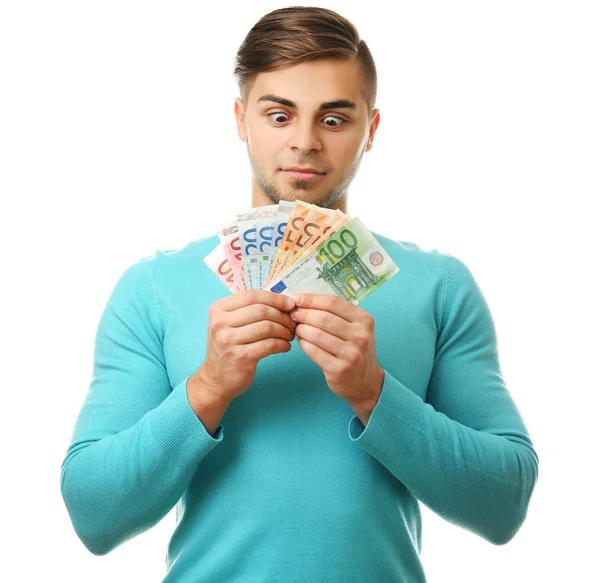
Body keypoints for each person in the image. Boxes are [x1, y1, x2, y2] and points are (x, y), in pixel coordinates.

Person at [59, 6, 539, 582]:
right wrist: (208, 388)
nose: (305, 143)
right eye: (279, 114)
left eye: (334, 119)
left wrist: (373, 393)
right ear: (241, 119)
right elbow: (93, 516)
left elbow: (505, 506)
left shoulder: (439, 285)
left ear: (372, 128)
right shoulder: (152, 288)